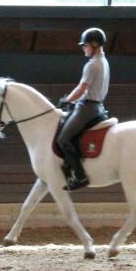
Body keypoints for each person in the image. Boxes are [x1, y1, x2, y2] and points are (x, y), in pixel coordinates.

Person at [56, 27, 110, 191]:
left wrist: (66, 100)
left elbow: (81, 88)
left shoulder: (92, 65)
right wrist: (74, 101)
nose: (83, 48)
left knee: (63, 139)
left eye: (85, 45)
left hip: (88, 108)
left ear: (94, 44)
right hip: (96, 106)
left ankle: (80, 176)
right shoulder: (103, 61)